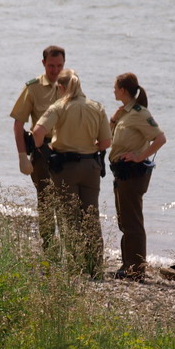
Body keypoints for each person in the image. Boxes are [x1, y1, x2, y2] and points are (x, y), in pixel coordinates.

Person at [32, 69, 111, 277]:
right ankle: (96, 268)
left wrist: (45, 151)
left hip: (65, 168)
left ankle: (75, 266)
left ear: (60, 88)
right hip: (91, 167)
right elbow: (106, 142)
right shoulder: (97, 107)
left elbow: (38, 132)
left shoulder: (59, 106)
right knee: (91, 217)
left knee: (69, 218)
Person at [109, 72, 166, 281]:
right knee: (124, 220)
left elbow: (160, 138)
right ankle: (127, 265)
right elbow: (112, 138)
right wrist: (114, 119)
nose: (113, 91)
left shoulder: (140, 113)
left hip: (133, 174)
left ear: (123, 90)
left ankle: (136, 269)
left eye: (115, 87)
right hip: (121, 172)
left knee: (132, 221)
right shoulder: (125, 112)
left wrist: (139, 156)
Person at [9, 45, 65, 248]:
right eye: (51, 65)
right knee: (46, 200)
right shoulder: (33, 88)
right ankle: (49, 244)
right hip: (42, 150)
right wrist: (22, 155)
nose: (55, 70)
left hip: (67, 151)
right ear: (43, 63)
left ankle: (68, 245)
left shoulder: (70, 85)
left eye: (59, 65)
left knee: (67, 201)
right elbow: (18, 123)